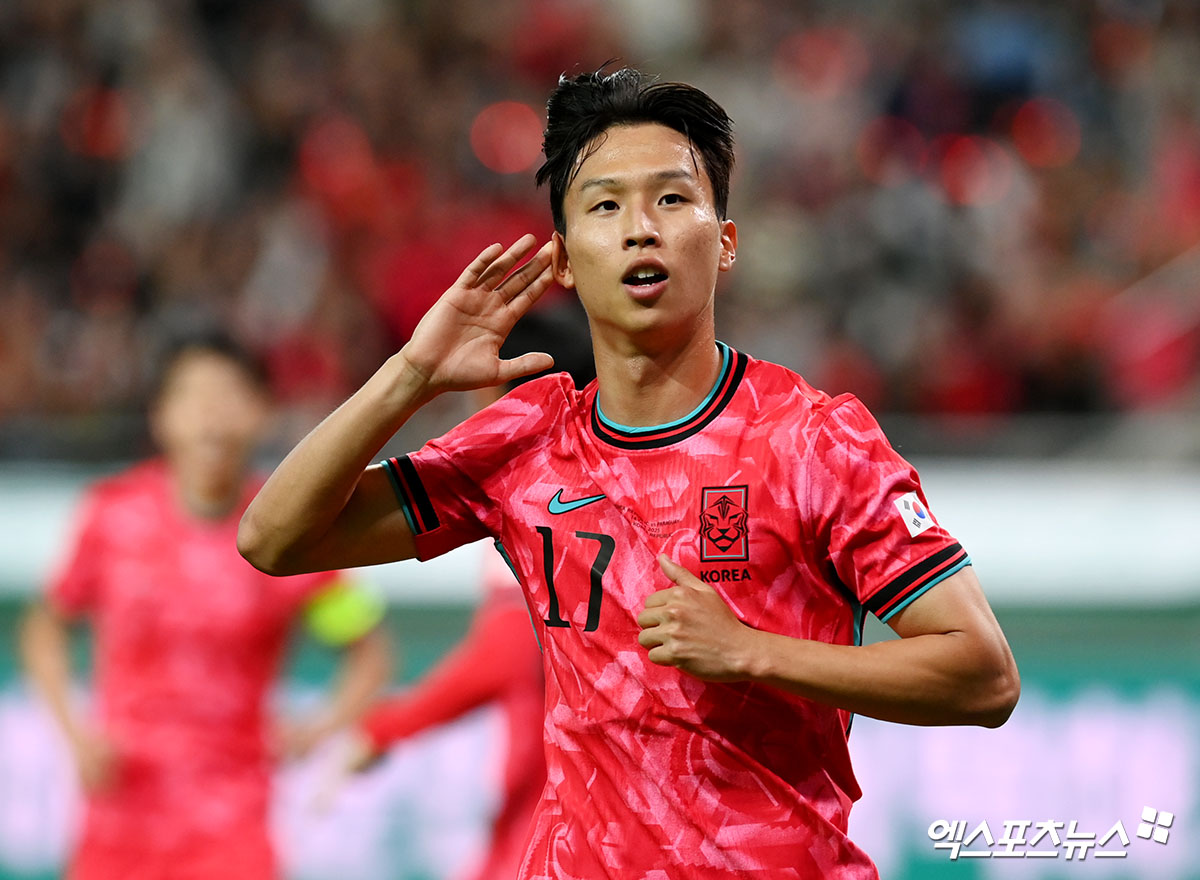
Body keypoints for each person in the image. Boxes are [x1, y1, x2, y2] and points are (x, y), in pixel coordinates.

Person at [238, 67, 1020, 879]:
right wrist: (410, 374)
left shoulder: (815, 440)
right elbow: (274, 539)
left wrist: (750, 652)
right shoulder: (524, 444)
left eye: (672, 199)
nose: (640, 228)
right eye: (605, 206)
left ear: (725, 242)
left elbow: (982, 674)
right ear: (567, 259)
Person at [20, 332, 392, 880]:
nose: (210, 416)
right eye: (193, 396)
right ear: (161, 417)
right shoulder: (112, 518)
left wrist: (316, 729)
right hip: (118, 821)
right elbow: (47, 628)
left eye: (229, 395)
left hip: (231, 828)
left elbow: (368, 652)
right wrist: (73, 732)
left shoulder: (283, 535)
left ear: (262, 413)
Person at [343, 306, 593, 880]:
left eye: (481, 390)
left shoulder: (548, 503)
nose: (471, 410)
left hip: (558, 807)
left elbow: (509, 651)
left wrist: (388, 726)